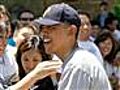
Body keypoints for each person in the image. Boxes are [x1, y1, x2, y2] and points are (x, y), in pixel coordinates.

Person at [38, 3, 112, 90]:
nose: (44, 33)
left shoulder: (77, 65)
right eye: (42, 28)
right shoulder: (74, 60)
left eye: (51, 28)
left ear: (71, 31)